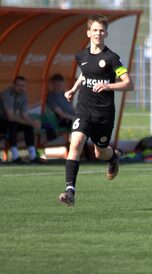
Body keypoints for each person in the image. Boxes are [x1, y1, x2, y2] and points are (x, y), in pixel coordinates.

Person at [58, 14, 134, 206]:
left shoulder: (112, 58)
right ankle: (70, 191)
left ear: (106, 33)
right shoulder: (81, 56)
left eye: (101, 30)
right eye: (95, 30)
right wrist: (74, 89)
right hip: (84, 109)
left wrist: (108, 86)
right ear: (88, 33)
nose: (98, 34)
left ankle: (114, 157)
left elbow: (128, 84)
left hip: (104, 113)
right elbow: (85, 73)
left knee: (100, 153)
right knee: (75, 144)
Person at [0, 75, 46, 164]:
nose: (21, 88)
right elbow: (10, 117)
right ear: (13, 85)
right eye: (18, 85)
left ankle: (33, 157)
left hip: (8, 121)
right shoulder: (7, 94)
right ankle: (15, 157)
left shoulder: (23, 95)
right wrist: (31, 123)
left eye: (23, 86)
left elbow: (24, 115)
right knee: (12, 125)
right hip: (1, 120)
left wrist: (32, 123)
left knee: (27, 126)